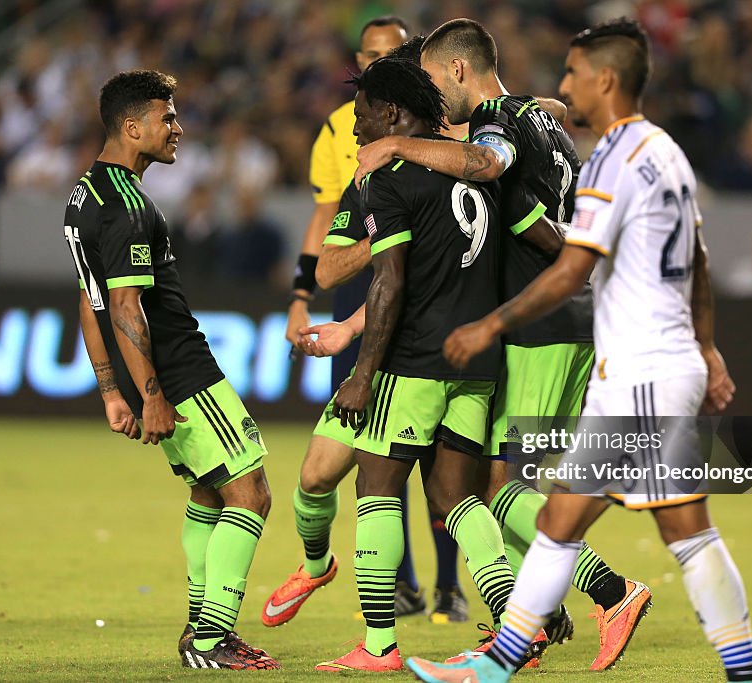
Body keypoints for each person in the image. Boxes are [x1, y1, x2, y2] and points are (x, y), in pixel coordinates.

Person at [408, 19, 752, 683]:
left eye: (573, 75)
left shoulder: (613, 158)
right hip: (643, 360)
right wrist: (709, 350)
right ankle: (736, 671)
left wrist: (489, 326)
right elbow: (700, 256)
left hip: (635, 367)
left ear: (605, 79)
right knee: (646, 526)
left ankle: (506, 656)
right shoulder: (661, 151)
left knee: (531, 497)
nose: (562, 88)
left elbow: (571, 264)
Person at [353, 17, 647, 667]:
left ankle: (611, 591)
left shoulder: (502, 124)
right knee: (495, 483)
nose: (430, 99)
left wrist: (398, 148)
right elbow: (554, 110)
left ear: (459, 70)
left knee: (504, 488)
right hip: (571, 319)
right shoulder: (538, 116)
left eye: (433, 79)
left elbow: (485, 159)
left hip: (538, 324)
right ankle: (527, 623)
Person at [63, 70, 279, 670]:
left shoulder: (84, 195)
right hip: (180, 369)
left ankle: (200, 629)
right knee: (251, 493)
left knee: (208, 492)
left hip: (147, 373)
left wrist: (113, 390)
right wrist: (153, 394)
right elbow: (126, 307)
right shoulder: (129, 208)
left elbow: (90, 301)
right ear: (132, 127)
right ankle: (211, 640)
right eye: (168, 118)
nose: (178, 129)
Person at [307, 56, 513, 673]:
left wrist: (364, 373)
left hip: (416, 359)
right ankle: (512, 628)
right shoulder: (478, 170)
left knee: (376, 489)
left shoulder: (389, 177)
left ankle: (379, 648)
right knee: (458, 497)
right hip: (477, 361)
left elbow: (389, 281)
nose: (358, 127)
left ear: (392, 113)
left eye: (364, 114)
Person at [274, 17, 466, 627]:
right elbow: (344, 258)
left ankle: (439, 618)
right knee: (320, 475)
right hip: (387, 322)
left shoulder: (453, 147)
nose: (356, 121)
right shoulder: (361, 157)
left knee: (426, 487)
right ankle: (323, 565)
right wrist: (325, 300)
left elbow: (401, 275)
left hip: (415, 346)